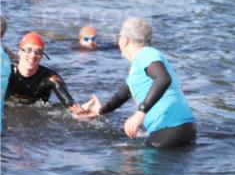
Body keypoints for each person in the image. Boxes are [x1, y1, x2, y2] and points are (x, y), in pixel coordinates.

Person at [75, 17, 195, 148]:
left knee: (128, 164)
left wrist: (139, 114)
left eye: (119, 37)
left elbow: (163, 79)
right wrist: (99, 111)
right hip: (183, 129)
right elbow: (122, 95)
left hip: (169, 129)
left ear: (125, 40)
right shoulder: (141, 63)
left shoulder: (146, 55)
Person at [5, 32, 77, 109]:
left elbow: (68, 102)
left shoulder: (50, 77)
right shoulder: (6, 71)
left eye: (38, 52)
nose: (33, 55)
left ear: (42, 56)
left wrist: (77, 110)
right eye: (28, 50)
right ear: (20, 52)